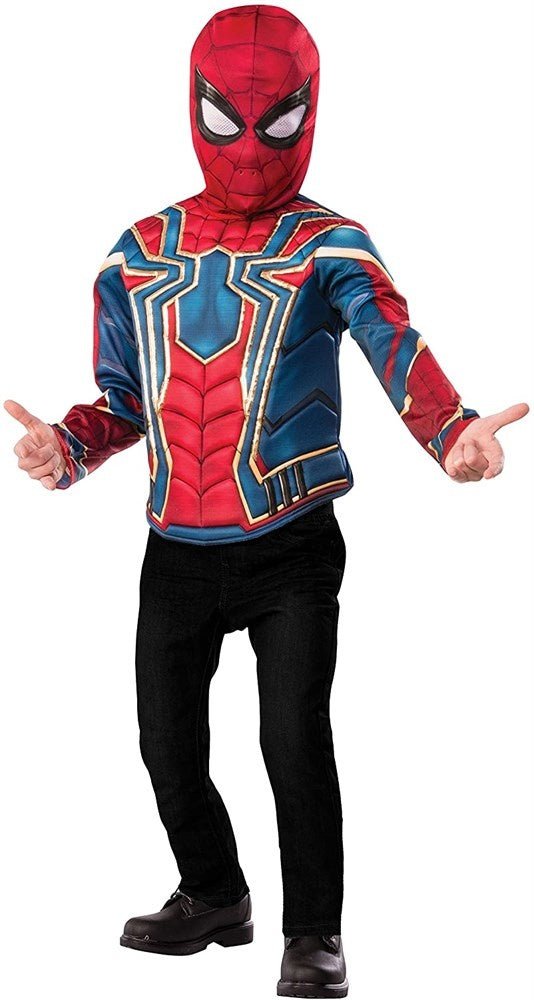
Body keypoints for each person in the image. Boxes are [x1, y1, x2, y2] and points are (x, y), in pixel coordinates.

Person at [4, 5, 528, 998]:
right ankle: (214, 893)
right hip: (174, 545)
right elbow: (124, 400)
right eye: (227, 118)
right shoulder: (136, 253)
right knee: (165, 742)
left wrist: (453, 432)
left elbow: (393, 345)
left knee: (293, 739)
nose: (248, 148)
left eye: (276, 122)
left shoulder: (331, 246)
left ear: (308, 112)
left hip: (292, 543)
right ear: (192, 108)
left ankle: (315, 933)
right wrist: (62, 448)